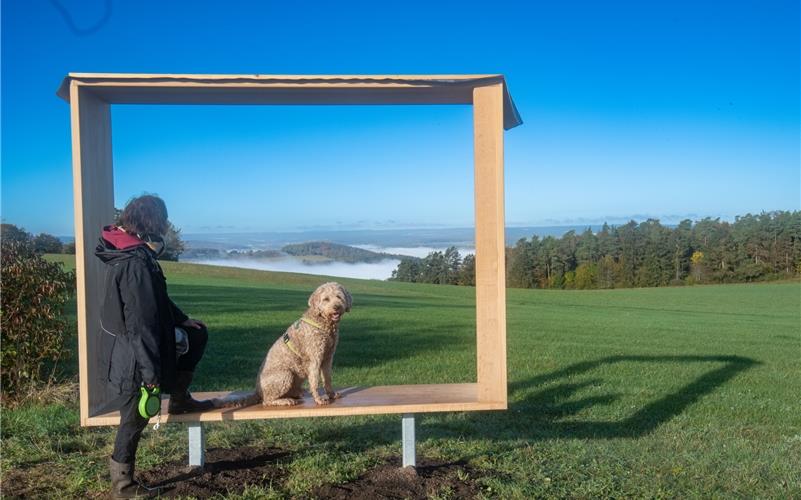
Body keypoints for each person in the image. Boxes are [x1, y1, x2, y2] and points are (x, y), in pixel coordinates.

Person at [95, 194, 213, 498]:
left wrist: (183, 320)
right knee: (135, 417)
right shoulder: (135, 263)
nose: (165, 225)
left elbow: (155, 300)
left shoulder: (135, 253)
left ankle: (179, 399)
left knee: (197, 335)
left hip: (138, 345)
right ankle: (123, 486)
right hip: (132, 357)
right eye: (162, 219)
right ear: (152, 221)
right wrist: (150, 373)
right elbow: (140, 325)